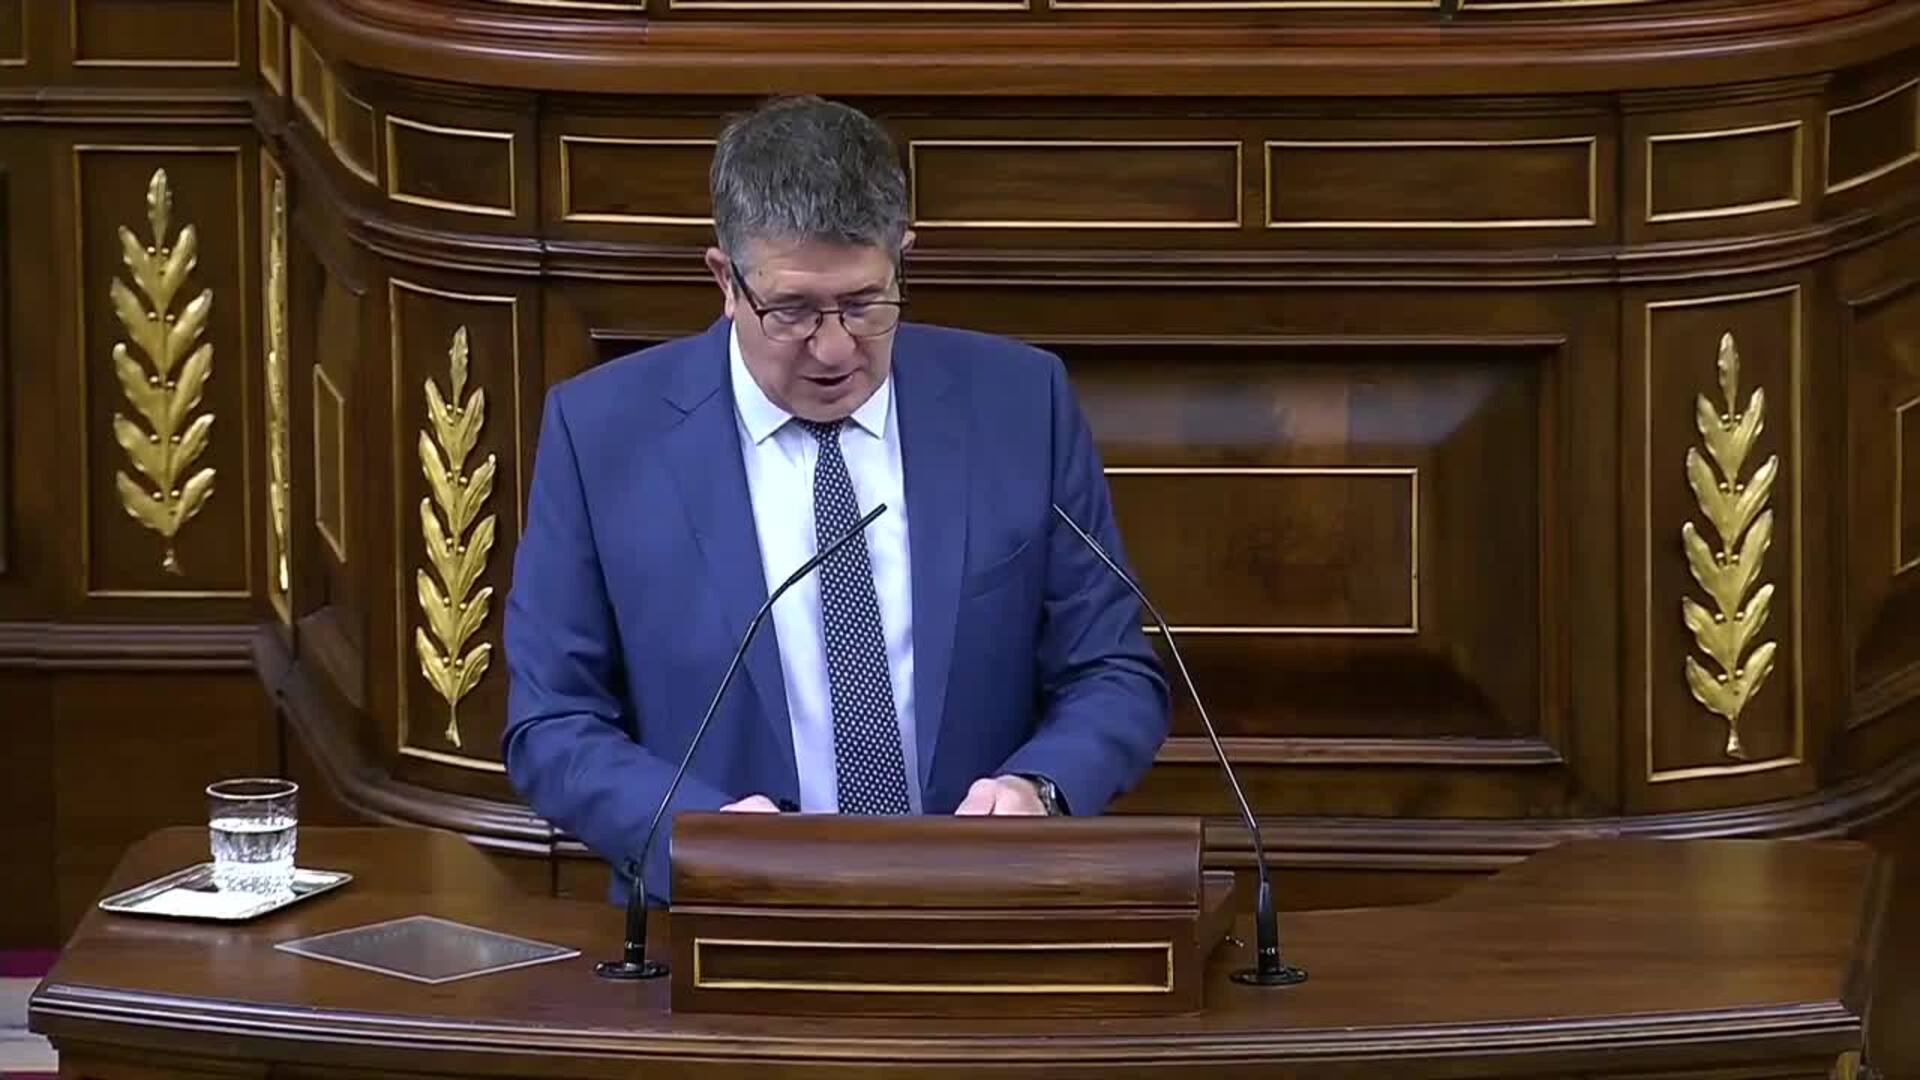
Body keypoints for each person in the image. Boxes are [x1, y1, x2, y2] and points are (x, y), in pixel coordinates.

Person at [502, 95, 1169, 902]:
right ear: (725, 281)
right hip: (724, 922)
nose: (833, 348)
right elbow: (552, 723)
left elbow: (1112, 671)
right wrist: (698, 833)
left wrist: (1042, 787)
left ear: (902, 261)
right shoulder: (603, 433)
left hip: (980, 911)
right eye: (791, 311)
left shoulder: (1021, 404)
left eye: (863, 304)